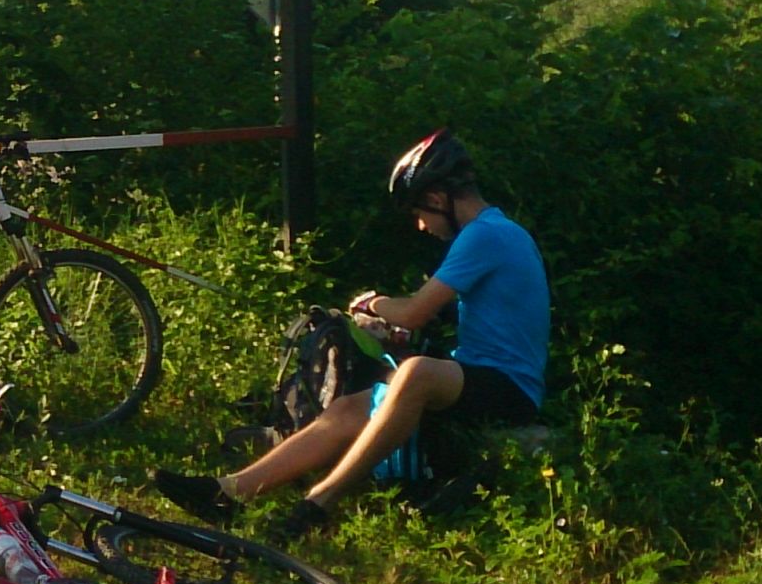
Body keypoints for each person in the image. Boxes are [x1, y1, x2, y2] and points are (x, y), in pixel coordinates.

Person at [157, 131, 548, 540]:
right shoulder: (493, 233)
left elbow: (414, 312)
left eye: (418, 212)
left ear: (436, 198)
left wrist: (370, 304)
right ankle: (229, 492)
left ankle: (318, 503)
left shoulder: (485, 235)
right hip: (477, 374)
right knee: (349, 408)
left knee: (415, 373)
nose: (420, 225)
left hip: (510, 388)